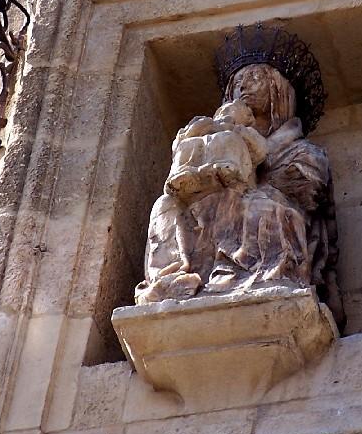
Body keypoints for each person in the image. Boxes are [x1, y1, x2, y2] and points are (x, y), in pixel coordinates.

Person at [135, 25, 344, 330]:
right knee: (165, 207)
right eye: (238, 82)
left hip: (265, 207)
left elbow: (309, 189)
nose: (243, 88)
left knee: (263, 204)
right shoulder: (216, 130)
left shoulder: (301, 149)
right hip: (212, 205)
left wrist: (257, 167)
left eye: (255, 79)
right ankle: (174, 278)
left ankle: (247, 277)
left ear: (277, 89)